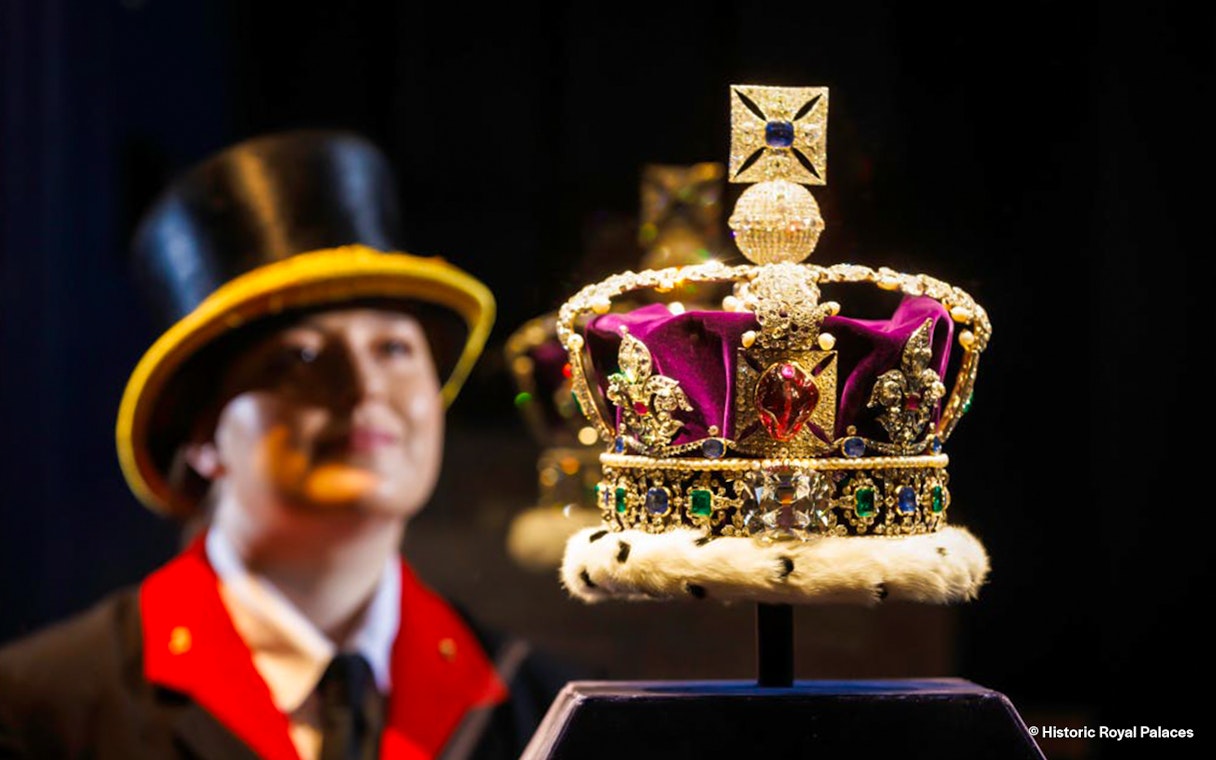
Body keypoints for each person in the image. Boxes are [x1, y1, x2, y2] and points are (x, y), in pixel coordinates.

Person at [0, 131, 569, 759]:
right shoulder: (41, 708)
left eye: (394, 348)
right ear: (201, 439)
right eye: (299, 357)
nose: (364, 388)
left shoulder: (534, 706)